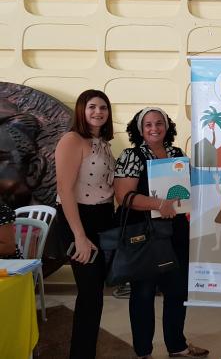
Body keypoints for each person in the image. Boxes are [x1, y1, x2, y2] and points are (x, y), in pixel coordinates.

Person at [114, 107, 209, 359]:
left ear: (167, 127)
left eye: (159, 123)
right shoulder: (131, 155)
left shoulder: (177, 154)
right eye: (148, 124)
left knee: (177, 290)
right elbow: (124, 196)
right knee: (143, 293)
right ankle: (143, 351)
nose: (154, 128)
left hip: (175, 231)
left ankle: (177, 346)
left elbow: (187, 189)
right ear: (140, 129)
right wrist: (159, 204)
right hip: (145, 234)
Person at [55, 89, 116, 359]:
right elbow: (65, 190)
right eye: (92, 106)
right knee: (90, 294)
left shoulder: (103, 143)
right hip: (80, 220)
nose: (98, 112)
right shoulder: (72, 139)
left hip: (103, 218)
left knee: (95, 294)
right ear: (82, 110)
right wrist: (79, 236)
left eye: (103, 107)